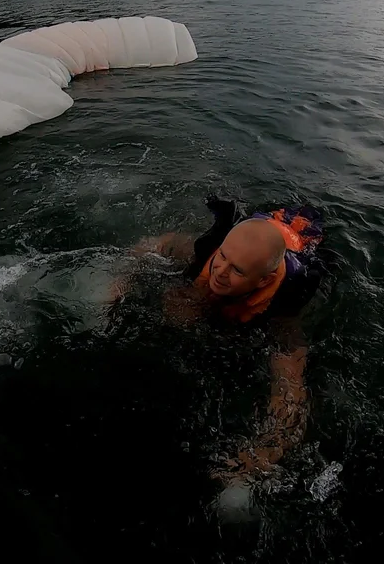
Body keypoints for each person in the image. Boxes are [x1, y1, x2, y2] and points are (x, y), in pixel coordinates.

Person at [109, 197, 325, 483]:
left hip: (299, 235)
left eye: (236, 270)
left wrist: (254, 461)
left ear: (262, 281)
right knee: (181, 309)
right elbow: (153, 245)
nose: (219, 272)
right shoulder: (213, 251)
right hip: (261, 229)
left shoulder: (282, 312)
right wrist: (114, 289)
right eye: (222, 258)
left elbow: (291, 396)